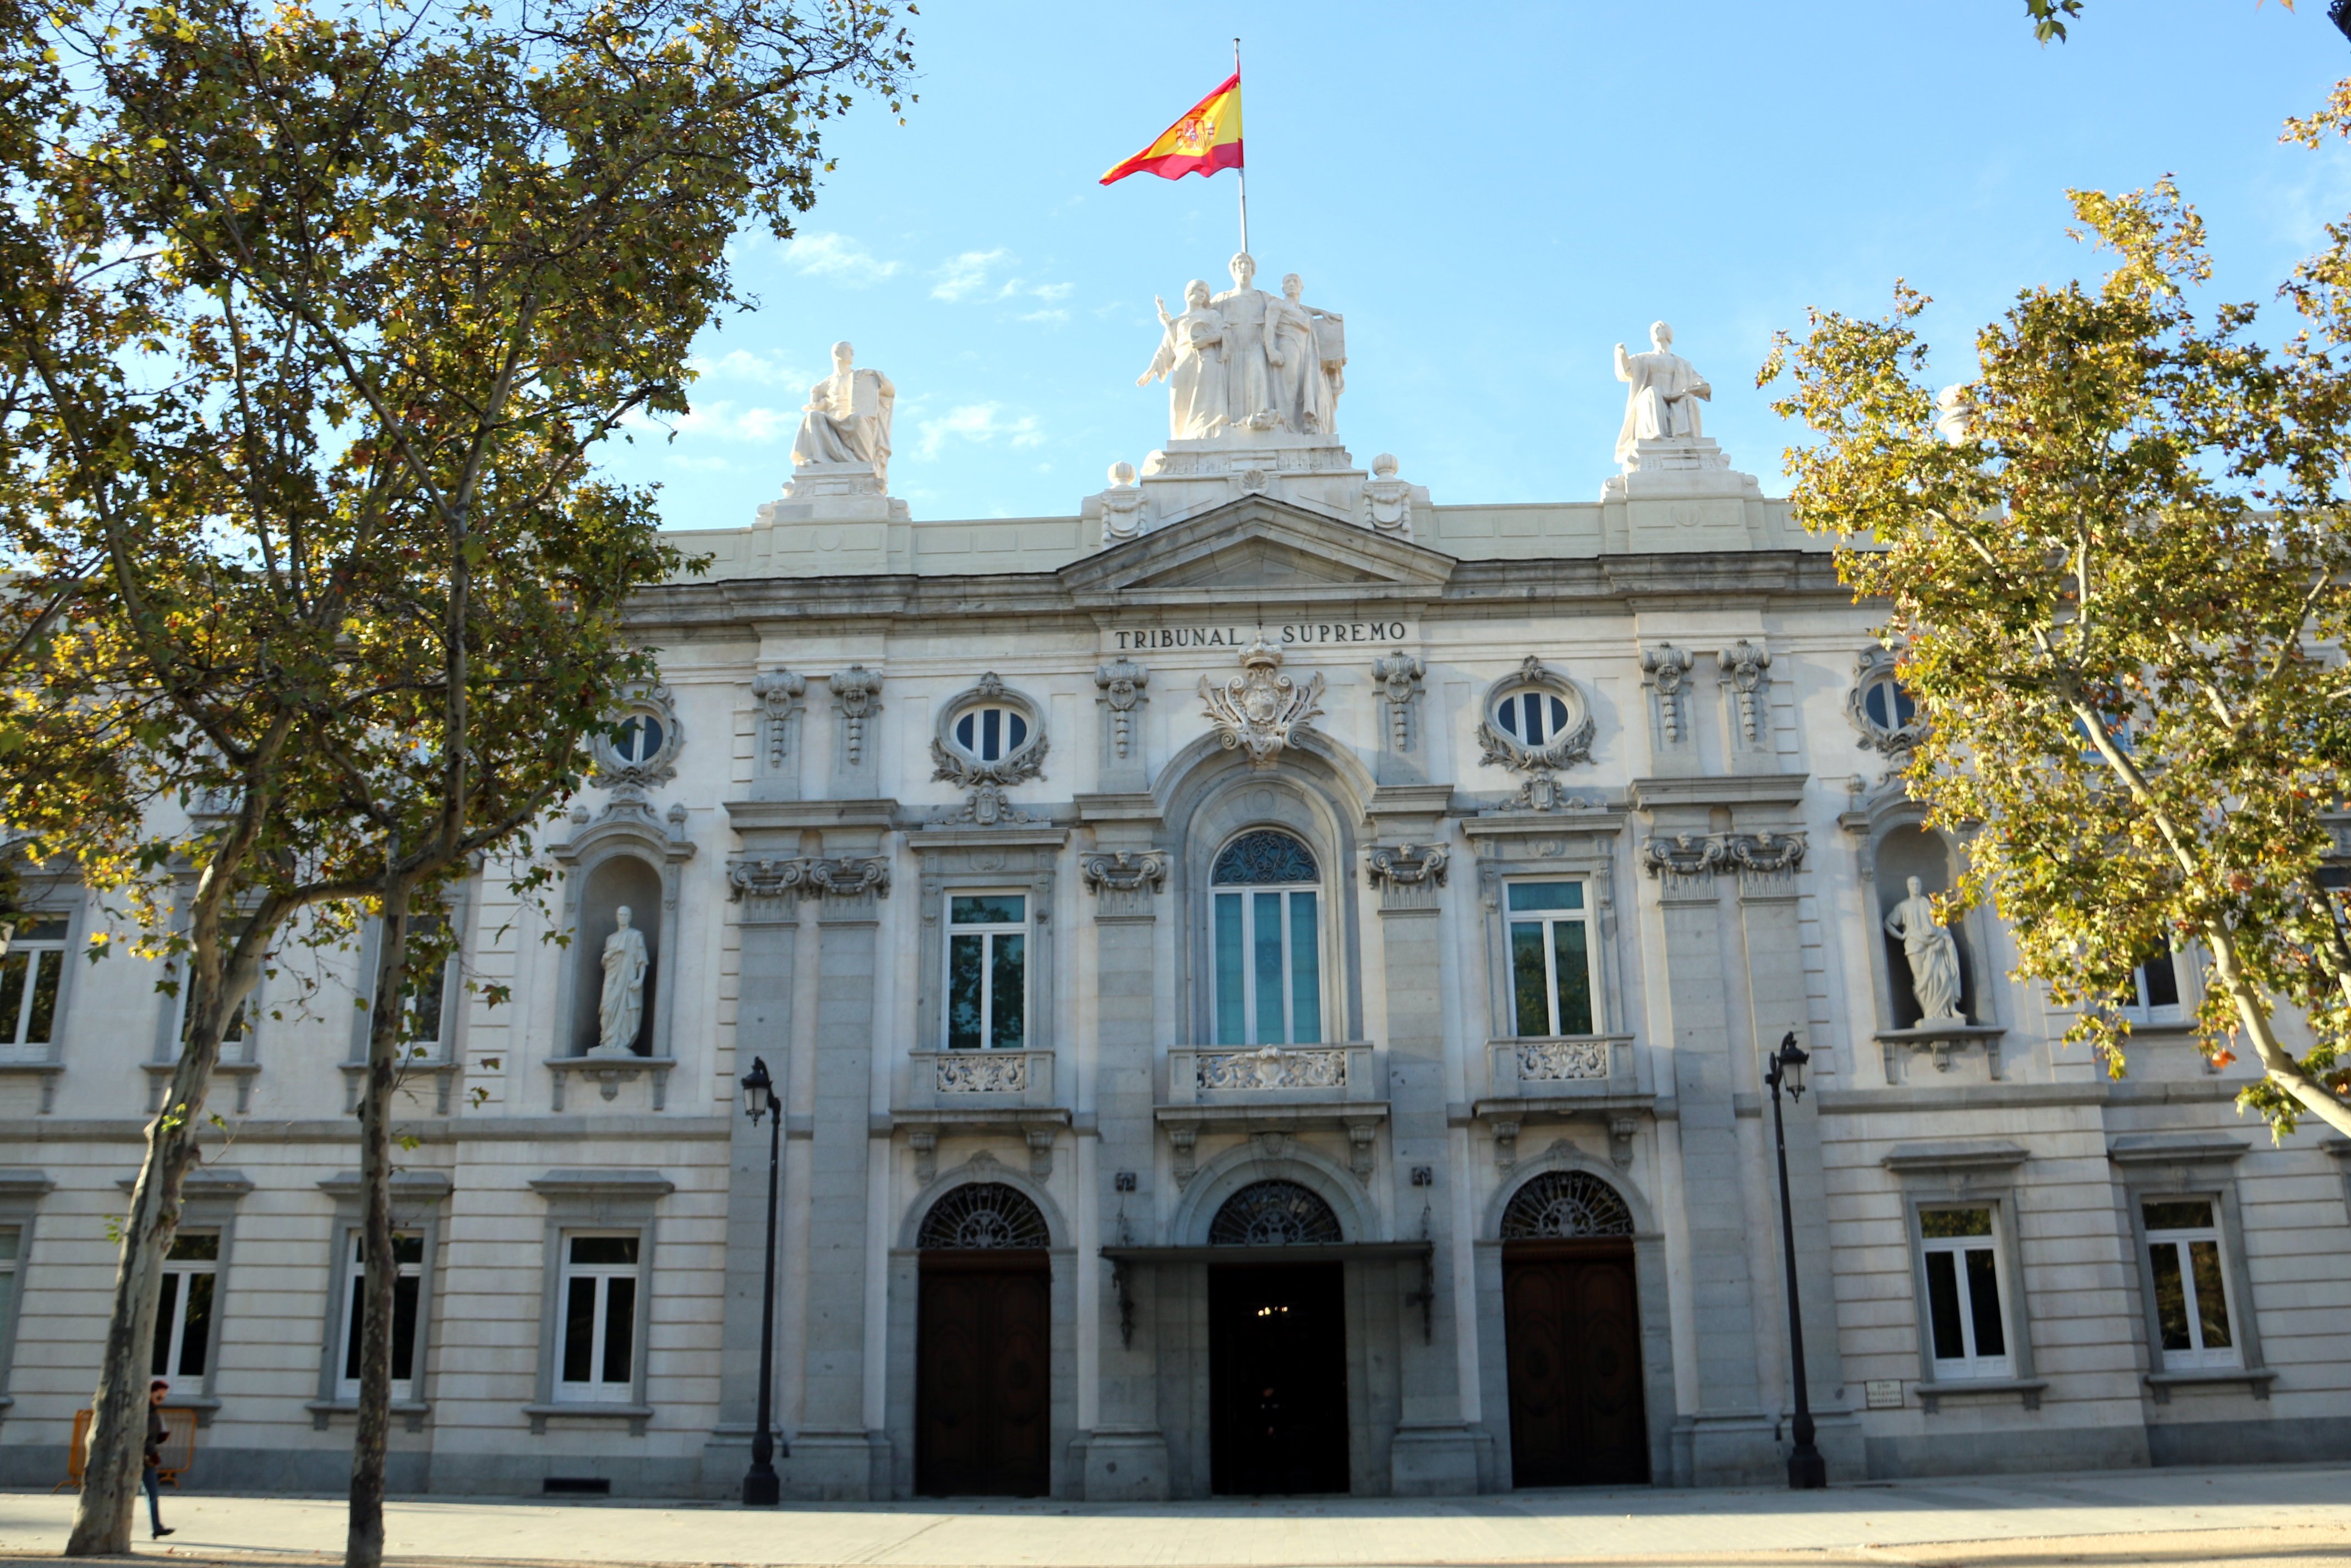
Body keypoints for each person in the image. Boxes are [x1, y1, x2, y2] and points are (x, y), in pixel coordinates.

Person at [144, 1378, 176, 1539]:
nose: (160, 1402)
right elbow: (143, 1438)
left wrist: (161, 1437)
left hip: (148, 1459)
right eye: (158, 1398)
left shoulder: (154, 1414)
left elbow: (152, 1439)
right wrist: (152, 1452)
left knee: (153, 1494)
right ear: (149, 1394)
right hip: (138, 1458)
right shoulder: (142, 1413)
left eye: (163, 1399)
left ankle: (157, 1528)